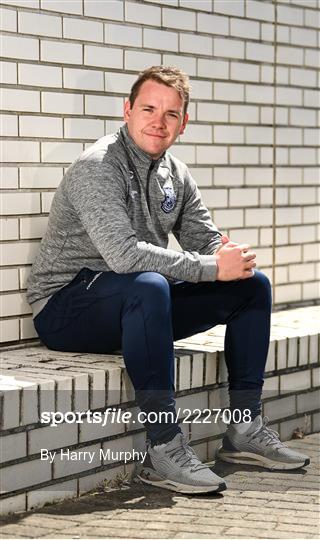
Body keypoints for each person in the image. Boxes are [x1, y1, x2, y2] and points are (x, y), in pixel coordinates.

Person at [27, 66, 310, 495]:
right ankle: (164, 448)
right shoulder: (98, 166)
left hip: (134, 303)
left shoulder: (175, 173)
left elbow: (204, 241)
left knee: (253, 287)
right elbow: (124, 256)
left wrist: (231, 259)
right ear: (127, 110)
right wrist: (213, 267)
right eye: (148, 108)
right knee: (148, 284)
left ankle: (245, 429)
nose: (158, 121)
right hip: (66, 307)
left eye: (171, 113)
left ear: (183, 122)